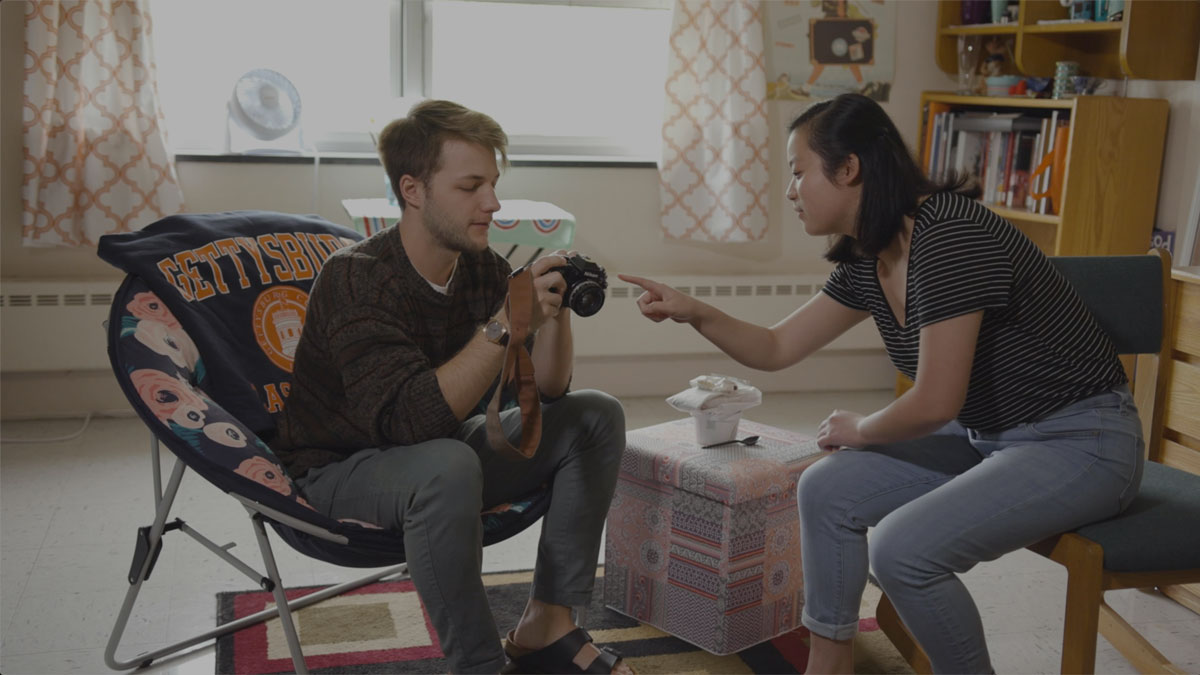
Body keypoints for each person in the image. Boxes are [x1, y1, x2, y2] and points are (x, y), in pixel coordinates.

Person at [620, 93, 1143, 674]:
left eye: (798, 172)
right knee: (825, 489)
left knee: (904, 551)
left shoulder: (949, 234)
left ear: (848, 168)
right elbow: (776, 348)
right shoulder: (871, 257)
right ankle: (830, 662)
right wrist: (694, 311)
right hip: (989, 435)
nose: (791, 191)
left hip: (1083, 442)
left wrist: (864, 429)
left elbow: (936, 401)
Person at [271, 100, 631, 675]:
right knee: (446, 464)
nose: (492, 202)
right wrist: (504, 326)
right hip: (340, 467)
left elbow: (553, 389)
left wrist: (553, 311)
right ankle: (481, 664)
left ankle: (547, 621)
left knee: (595, 416)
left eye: (492, 183)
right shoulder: (356, 277)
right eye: (470, 186)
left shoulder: (482, 267)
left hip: (441, 453)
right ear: (413, 190)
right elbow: (409, 423)